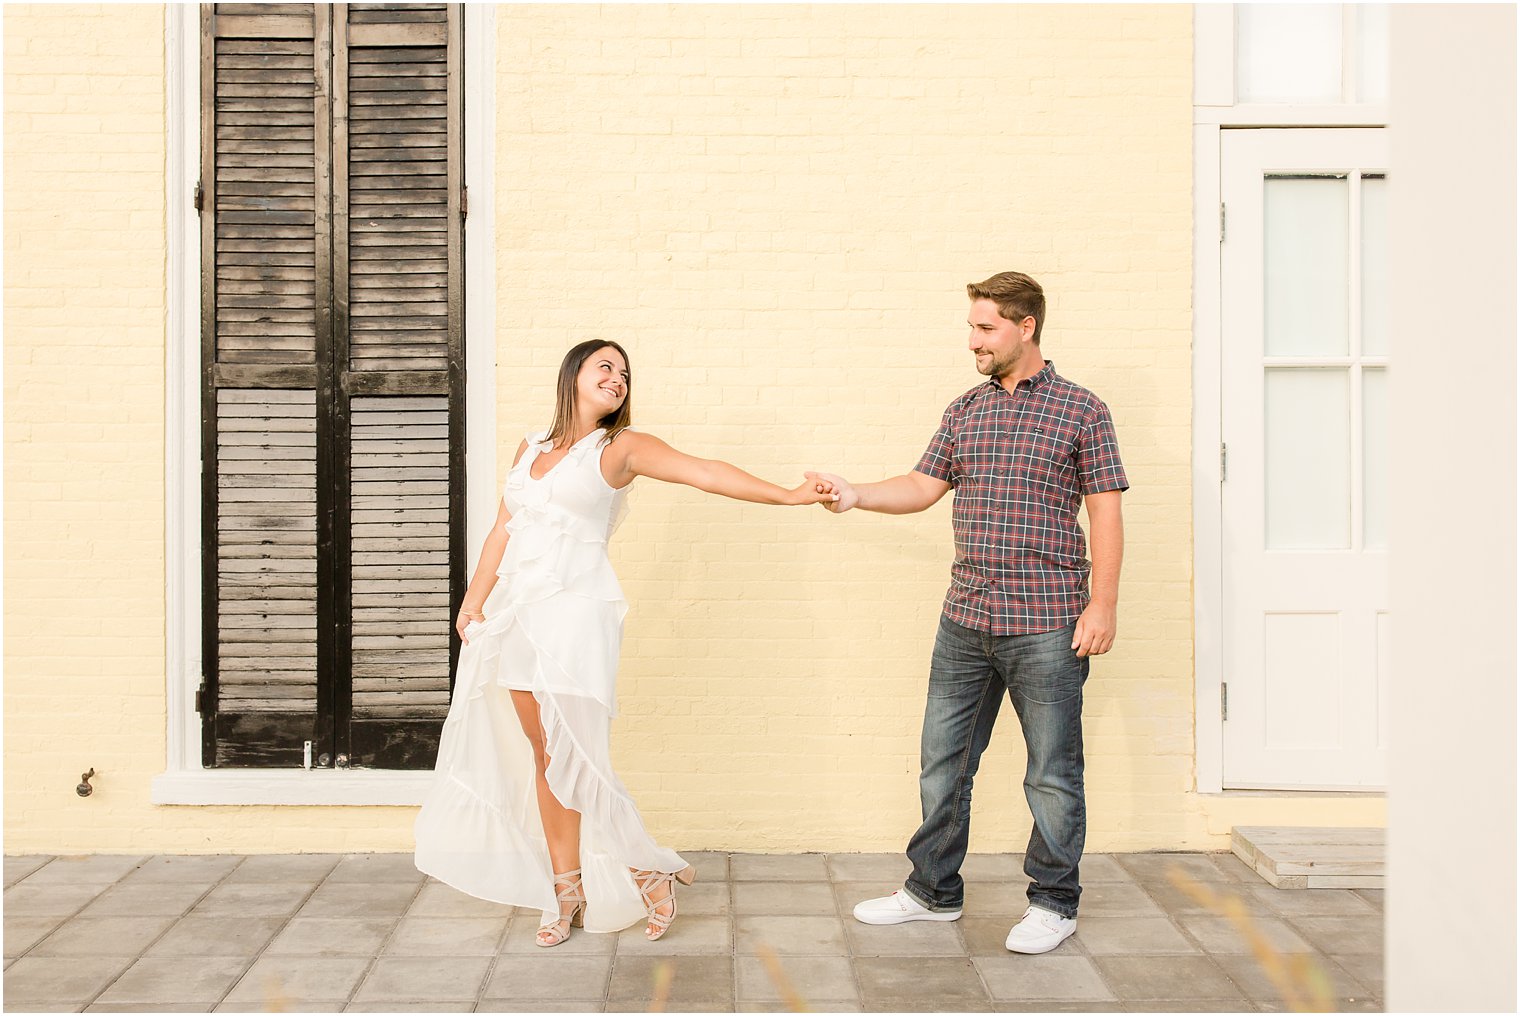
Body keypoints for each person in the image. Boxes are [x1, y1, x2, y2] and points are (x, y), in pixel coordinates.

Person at [415, 339, 836, 947]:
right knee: (544, 757)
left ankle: (647, 865)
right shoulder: (529, 447)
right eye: (605, 367)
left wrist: (790, 494)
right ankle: (566, 890)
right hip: (519, 616)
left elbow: (707, 472)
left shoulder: (620, 449)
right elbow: (504, 527)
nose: (617, 378)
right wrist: (473, 599)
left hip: (577, 617)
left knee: (578, 757)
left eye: (625, 373)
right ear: (573, 375)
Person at [806, 271, 1127, 955]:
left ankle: (1053, 902)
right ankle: (932, 891)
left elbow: (1105, 510)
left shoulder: (1083, 410)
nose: (973, 341)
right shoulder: (965, 411)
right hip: (966, 619)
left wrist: (1102, 603)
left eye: (985, 328)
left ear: (1025, 327)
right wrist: (855, 493)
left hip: (1047, 620)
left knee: (1052, 772)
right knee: (943, 763)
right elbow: (924, 486)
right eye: (972, 328)